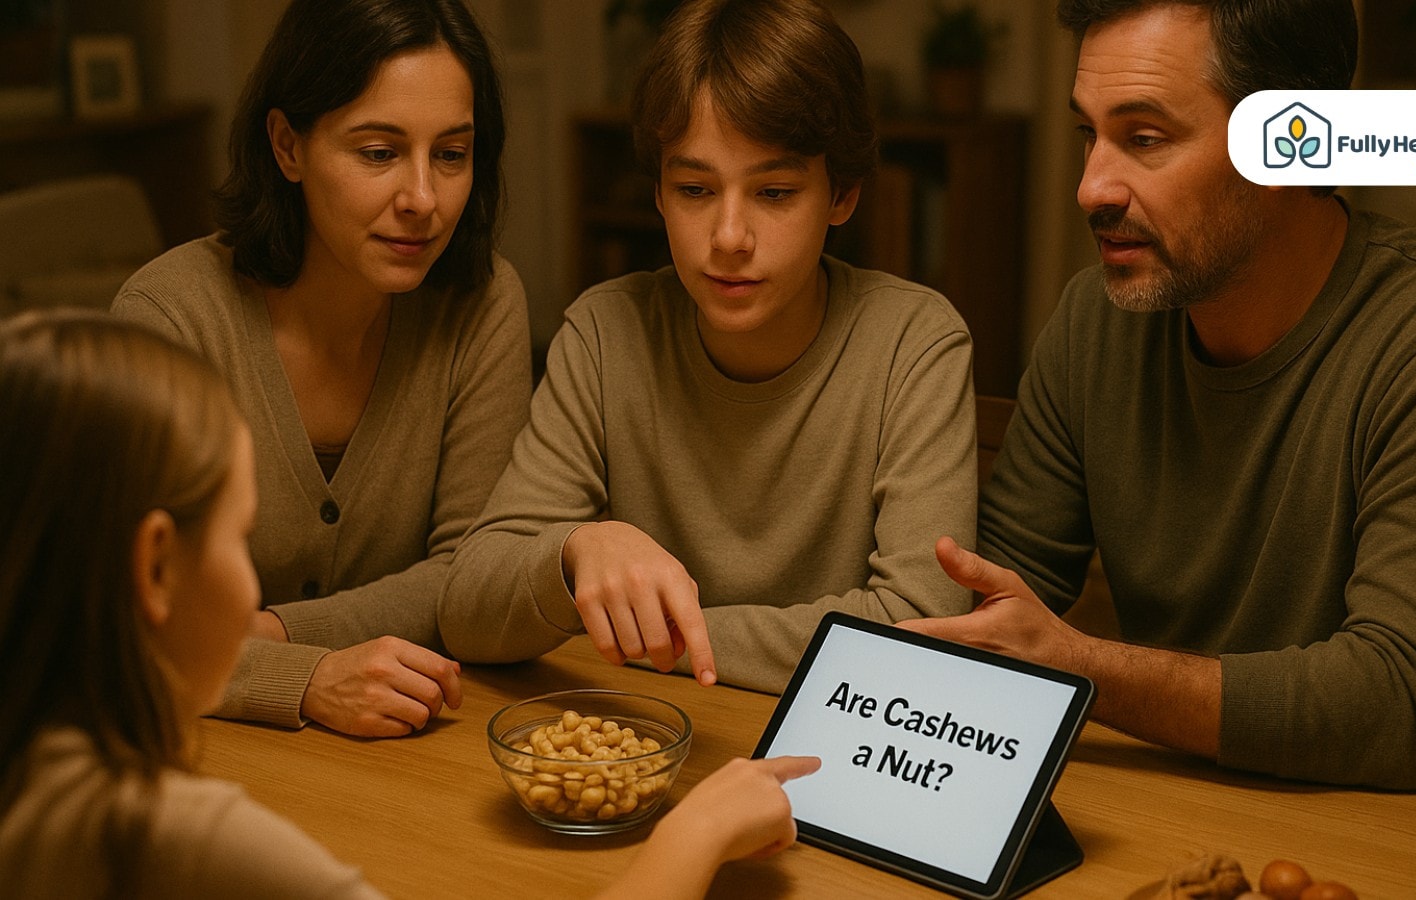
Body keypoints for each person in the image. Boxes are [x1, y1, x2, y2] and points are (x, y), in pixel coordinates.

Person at [901, 0, 1416, 825]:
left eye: (1145, 138)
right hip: (1208, 799)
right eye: (1089, 133)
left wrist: (1083, 665)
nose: (1090, 186)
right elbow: (994, 606)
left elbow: (1402, 707)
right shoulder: (1096, 319)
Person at [0, 311, 820, 899]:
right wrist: (694, 836)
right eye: (239, 536)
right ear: (154, 569)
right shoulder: (165, 832)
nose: (254, 592)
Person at [438, 0, 978, 693]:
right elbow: (468, 607)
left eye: (774, 192)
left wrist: (648, 634)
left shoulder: (914, 343)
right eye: (694, 189)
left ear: (841, 194)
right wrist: (576, 553)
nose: (728, 236)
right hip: (643, 740)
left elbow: (919, 629)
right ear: (658, 193)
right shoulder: (605, 334)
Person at [112, 0, 532, 738]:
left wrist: (271, 631)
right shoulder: (170, 319)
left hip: (414, 745)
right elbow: (120, 627)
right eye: (378, 152)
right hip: (193, 753)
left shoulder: (482, 302)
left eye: (452, 154)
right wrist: (301, 679)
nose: (423, 200)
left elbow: (471, 575)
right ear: (287, 146)